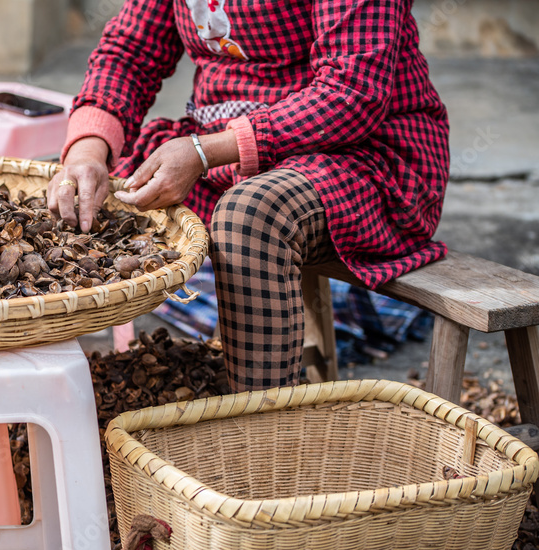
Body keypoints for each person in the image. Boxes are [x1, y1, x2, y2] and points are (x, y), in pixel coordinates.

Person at [47, 0, 450, 393]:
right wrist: (88, 150)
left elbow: (351, 93)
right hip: (227, 153)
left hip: (365, 155)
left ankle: (263, 440)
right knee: (95, 192)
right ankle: (81, 402)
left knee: (249, 215)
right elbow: (130, 53)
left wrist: (204, 151)